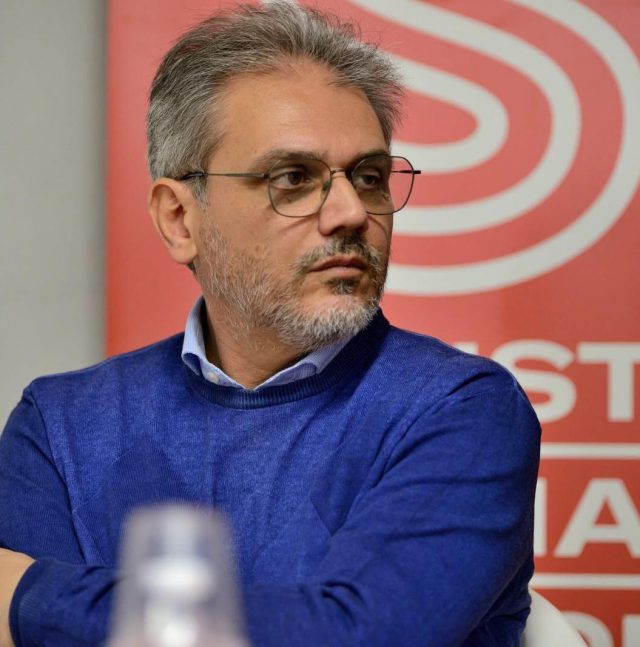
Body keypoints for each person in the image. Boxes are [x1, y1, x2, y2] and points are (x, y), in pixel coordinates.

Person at [0, 2, 540, 646]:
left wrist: (32, 598)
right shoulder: (60, 426)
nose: (350, 212)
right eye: (294, 178)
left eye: (369, 176)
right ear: (179, 219)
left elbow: (356, 636)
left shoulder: (461, 409)